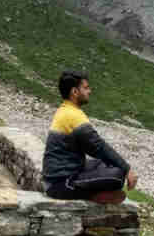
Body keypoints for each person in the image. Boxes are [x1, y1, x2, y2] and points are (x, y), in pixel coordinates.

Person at [42, 71, 138, 203]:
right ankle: (94, 196)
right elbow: (97, 146)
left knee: (106, 164)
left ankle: (98, 193)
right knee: (117, 175)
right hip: (61, 184)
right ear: (75, 92)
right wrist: (127, 169)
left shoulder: (66, 110)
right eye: (86, 88)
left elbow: (94, 147)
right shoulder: (73, 115)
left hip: (67, 172)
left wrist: (121, 165)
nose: (90, 91)